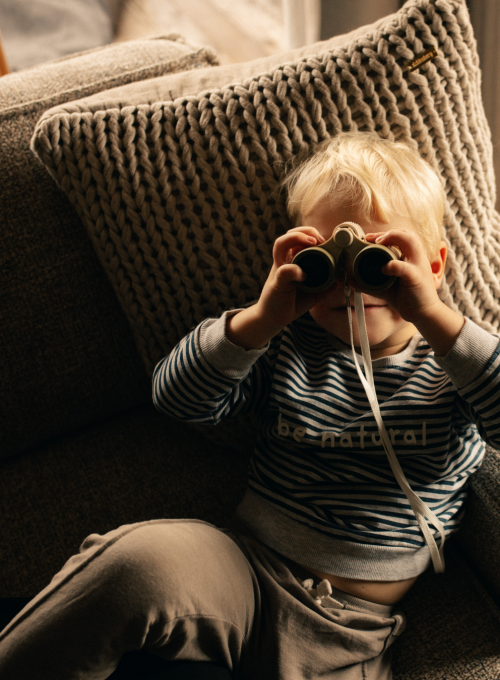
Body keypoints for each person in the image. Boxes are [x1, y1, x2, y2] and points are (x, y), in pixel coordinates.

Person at [1, 131, 499, 680]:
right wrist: (261, 317)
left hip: (348, 631)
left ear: (434, 267)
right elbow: (178, 399)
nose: (352, 280)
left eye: (383, 257)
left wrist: (440, 322)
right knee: (136, 567)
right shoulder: (287, 344)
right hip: (243, 574)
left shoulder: (455, 363)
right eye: (325, 258)